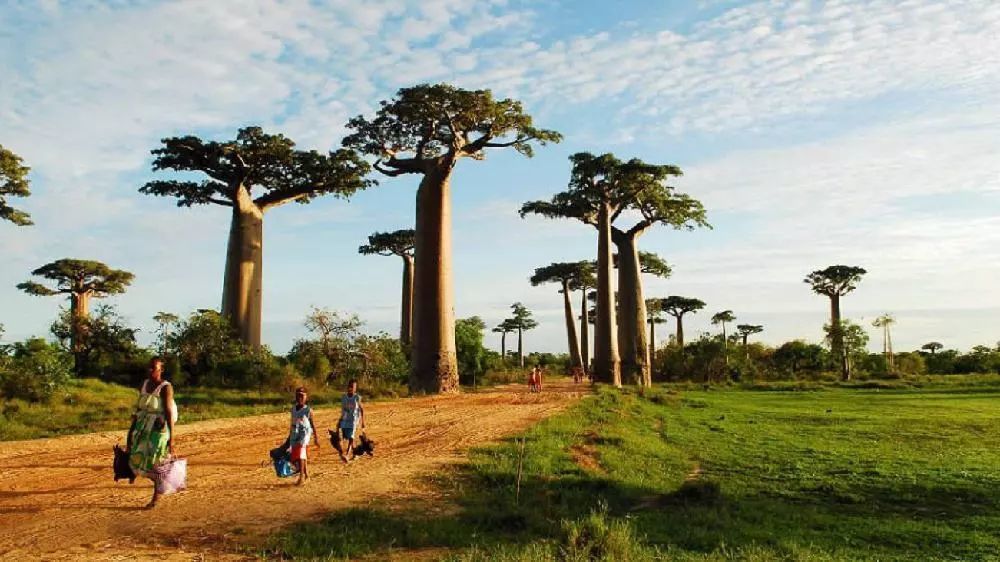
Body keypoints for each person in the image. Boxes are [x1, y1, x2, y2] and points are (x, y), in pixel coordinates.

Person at [127, 356, 176, 509]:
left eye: (153, 368)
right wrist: (130, 432)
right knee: (139, 458)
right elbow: (139, 409)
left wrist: (172, 438)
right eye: (148, 367)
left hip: (158, 429)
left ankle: (156, 497)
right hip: (143, 427)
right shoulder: (144, 384)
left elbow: (168, 412)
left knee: (157, 463)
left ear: (161, 370)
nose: (150, 370)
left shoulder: (166, 387)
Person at [289, 387, 319, 485]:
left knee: (301, 454)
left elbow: (313, 424)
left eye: (302, 396)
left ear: (306, 397)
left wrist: (316, 437)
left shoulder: (308, 410)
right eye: (298, 396)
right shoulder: (293, 409)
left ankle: (301, 477)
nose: (300, 398)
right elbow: (292, 423)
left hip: (305, 434)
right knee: (298, 456)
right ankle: (306, 475)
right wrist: (289, 436)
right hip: (295, 433)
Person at [337, 379, 365, 462]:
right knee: (346, 436)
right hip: (345, 420)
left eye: (353, 387)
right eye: (350, 386)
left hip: (354, 419)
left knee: (351, 437)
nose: (351, 388)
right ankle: (356, 453)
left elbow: (362, 409)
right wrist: (340, 419)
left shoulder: (357, 397)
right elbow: (343, 409)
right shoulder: (344, 397)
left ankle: (347, 454)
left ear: (355, 388)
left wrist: (362, 421)